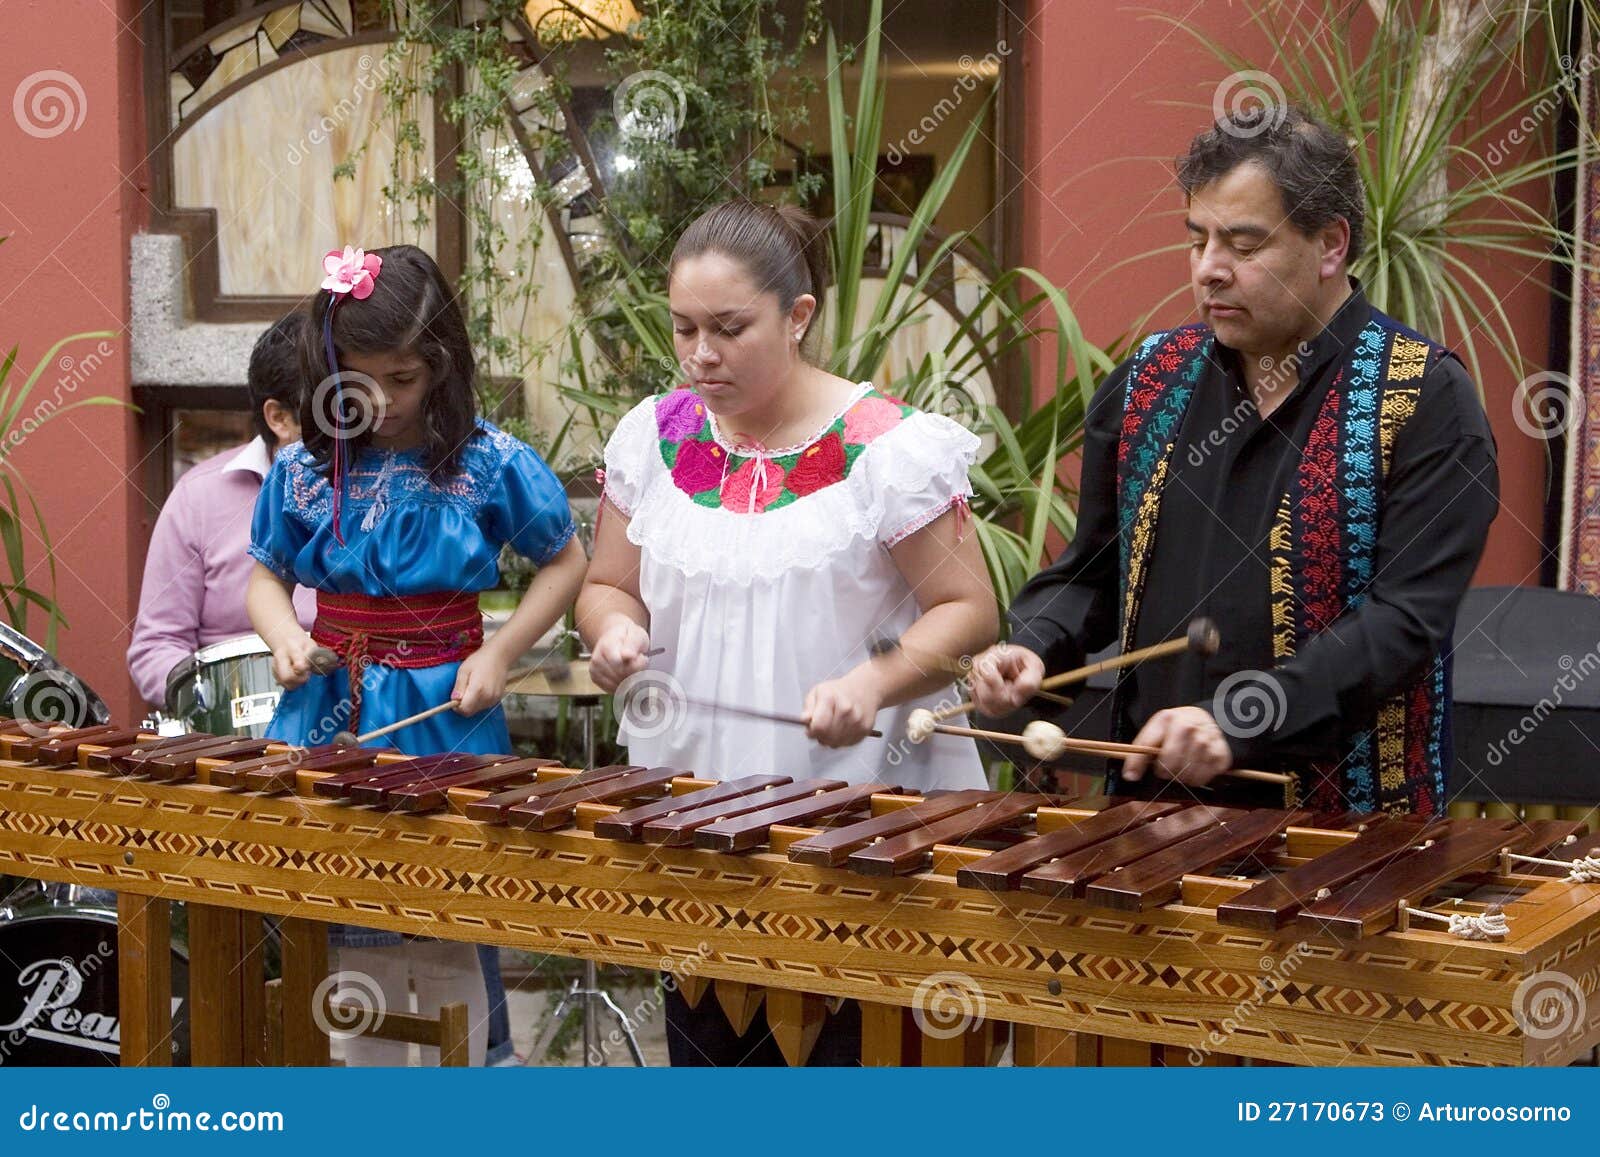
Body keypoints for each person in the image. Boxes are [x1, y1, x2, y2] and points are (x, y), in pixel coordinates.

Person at [970, 106, 1499, 816]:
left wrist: (1244, 715)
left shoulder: (1424, 400)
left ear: (1331, 244)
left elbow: (1403, 621)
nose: (1210, 269)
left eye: (1244, 245)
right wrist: (1035, 646)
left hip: (1347, 835)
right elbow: (1092, 574)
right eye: (1198, 240)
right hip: (1149, 818)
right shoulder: (1148, 384)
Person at [576, 199, 998, 1063]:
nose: (701, 353)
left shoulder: (885, 447)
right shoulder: (654, 438)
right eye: (684, 328)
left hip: (868, 829)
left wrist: (871, 685)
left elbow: (969, 613)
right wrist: (615, 630)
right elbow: (607, 585)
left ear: (797, 315)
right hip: (699, 829)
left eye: (730, 328)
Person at [246, 243, 587, 1065]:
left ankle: (466, 1090)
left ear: (441, 364)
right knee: (345, 939)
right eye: (360, 380)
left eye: (403, 378)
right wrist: (288, 637)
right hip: (331, 715)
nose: (383, 400)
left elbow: (566, 558)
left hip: (447, 712)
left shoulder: (488, 460)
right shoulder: (299, 471)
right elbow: (263, 578)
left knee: (448, 928)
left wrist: (502, 650)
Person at [128, 312, 315, 709]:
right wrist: (217, 709)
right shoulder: (198, 496)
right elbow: (157, 645)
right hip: (235, 731)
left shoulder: (378, 491)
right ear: (279, 418)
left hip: (359, 726)